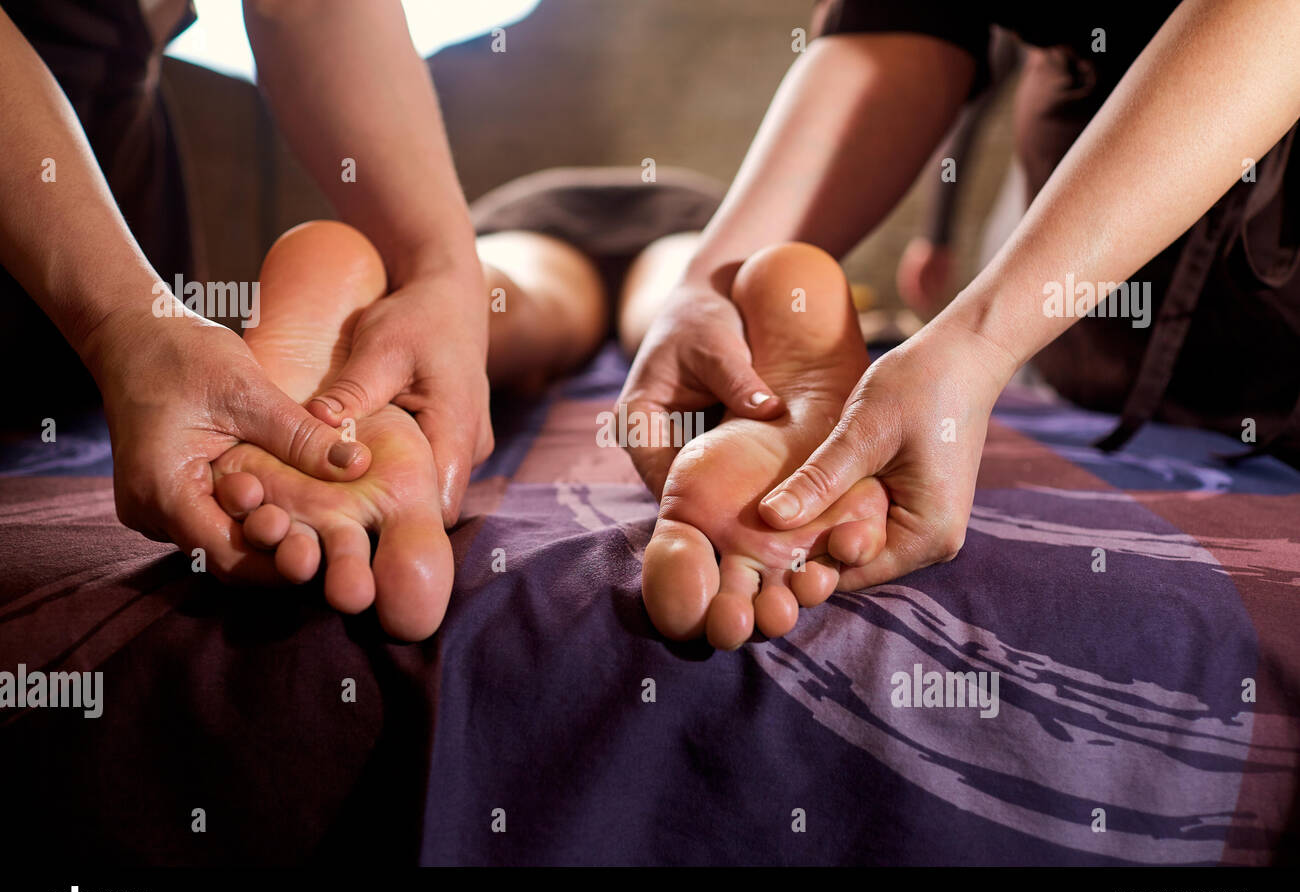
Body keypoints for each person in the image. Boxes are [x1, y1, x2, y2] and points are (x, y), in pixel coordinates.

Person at [618, 0, 1300, 603]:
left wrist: (981, 341)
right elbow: (904, 21)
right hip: (1089, 286)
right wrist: (705, 285)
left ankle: (810, 389)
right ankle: (809, 398)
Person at [0, 0, 489, 582]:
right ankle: (314, 364)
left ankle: (306, 368)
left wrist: (445, 272)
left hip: (111, 200)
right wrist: (118, 323)